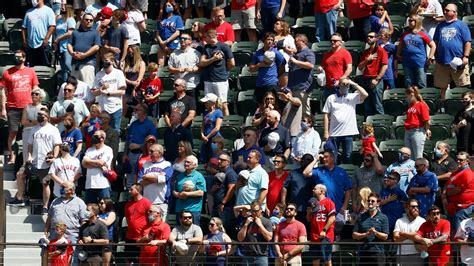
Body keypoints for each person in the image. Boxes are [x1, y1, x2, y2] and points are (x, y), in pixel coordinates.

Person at [11, 107, 61, 211]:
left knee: (45, 183)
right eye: (38, 114)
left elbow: (57, 145)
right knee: (20, 174)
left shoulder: (53, 129)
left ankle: (45, 206)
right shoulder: (34, 128)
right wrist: (29, 156)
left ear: (46, 117)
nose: (39, 116)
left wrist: (54, 157)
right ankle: (20, 197)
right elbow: (30, 145)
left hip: (45, 162)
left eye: (41, 114)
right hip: (33, 160)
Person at [0, 49, 39, 165]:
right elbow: (2, 91)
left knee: (32, 131)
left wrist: (36, 104)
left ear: (24, 58)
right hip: (13, 107)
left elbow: (35, 88)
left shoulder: (30, 72)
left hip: (28, 106)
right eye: (15, 56)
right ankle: (12, 156)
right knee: (13, 132)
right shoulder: (7, 72)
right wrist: (2, 108)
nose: (17, 59)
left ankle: (32, 154)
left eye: (19, 57)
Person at [322, 78, 368, 164]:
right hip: (334, 133)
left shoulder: (352, 97)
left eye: (347, 85)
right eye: (343, 84)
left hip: (348, 133)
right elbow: (325, 115)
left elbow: (365, 94)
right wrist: (326, 132)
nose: (345, 86)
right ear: (338, 85)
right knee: (333, 157)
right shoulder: (331, 98)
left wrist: (353, 83)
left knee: (347, 156)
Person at [433, 3, 471, 100]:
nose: (444, 12)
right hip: (442, 62)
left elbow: (467, 42)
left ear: (454, 12)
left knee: (462, 87)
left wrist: (465, 56)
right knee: (442, 88)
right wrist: (432, 56)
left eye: (447, 10)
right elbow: (435, 42)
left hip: (458, 61)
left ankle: (463, 106)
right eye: (444, 10)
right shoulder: (440, 26)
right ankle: (443, 107)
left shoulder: (461, 25)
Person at [44, 182, 87, 264]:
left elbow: (84, 221)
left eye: (63, 187)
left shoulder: (80, 203)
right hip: (55, 234)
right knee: (54, 259)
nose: (61, 189)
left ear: (71, 190)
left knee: (71, 260)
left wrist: (81, 236)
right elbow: (49, 218)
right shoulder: (55, 201)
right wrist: (45, 231)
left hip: (72, 235)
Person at [303, 151, 352, 215]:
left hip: (338, 208)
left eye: (326, 157)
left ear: (332, 158)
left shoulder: (341, 172)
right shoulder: (318, 171)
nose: (324, 159)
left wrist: (344, 206)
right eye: (323, 158)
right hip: (322, 209)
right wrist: (315, 160)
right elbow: (305, 173)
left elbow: (348, 189)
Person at [199, 29, 235, 116]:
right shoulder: (206, 48)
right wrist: (213, 59)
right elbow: (201, 63)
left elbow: (232, 63)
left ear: (210, 37)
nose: (204, 40)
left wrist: (224, 71)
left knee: (223, 104)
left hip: (221, 80)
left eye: (206, 37)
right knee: (208, 104)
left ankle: (226, 124)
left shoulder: (224, 47)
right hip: (208, 80)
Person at [397, 14, 436, 89]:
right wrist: (398, 54)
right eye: (409, 20)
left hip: (420, 61)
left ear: (417, 22)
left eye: (412, 21)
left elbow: (433, 45)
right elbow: (400, 44)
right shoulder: (406, 33)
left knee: (421, 82)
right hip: (407, 61)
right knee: (408, 83)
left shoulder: (423, 33)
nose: (410, 22)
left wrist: (430, 58)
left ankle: (421, 100)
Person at [91, 52, 127, 132]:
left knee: (115, 131)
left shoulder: (118, 73)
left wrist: (108, 93)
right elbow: (94, 92)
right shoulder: (99, 74)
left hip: (115, 107)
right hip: (103, 108)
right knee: (102, 130)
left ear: (112, 61)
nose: (104, 62)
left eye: (106, 60)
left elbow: (122, 91)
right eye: (103, 60)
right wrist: (102, 88)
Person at [125, 103, 158, 188]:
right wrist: (125, 154)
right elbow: (127, 140)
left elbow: (153, 142)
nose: (135, 112)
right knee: (130, 180)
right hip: (131, 155)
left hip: (142, 155)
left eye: (137, 110)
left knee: (140, 178)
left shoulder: (149, 125)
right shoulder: (133, 124)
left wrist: (139, 146)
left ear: (143, 112)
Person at [138, 144, 173, 221]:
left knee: (160, 228)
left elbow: (163, 179)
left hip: (161, 202)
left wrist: (146, 176)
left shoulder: (167, 164)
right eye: (149, 151)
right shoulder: (145, 165)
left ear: (160, 153)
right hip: (146, 202)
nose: (149, 153)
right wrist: (157, 176)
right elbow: (140, 183)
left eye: (152, 151)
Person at [352, 192, 389, 265]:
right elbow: (354, 235)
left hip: (378, 253)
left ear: (378, 203)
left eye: (372, 201)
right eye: (368, 201)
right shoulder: (361, 217)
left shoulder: (383, 217)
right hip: (363, 253)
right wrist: (366, 234)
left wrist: (375, 232)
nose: (370, 203)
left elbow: (385, 236)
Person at [442, 151, 474, 235]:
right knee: (451, 232)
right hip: (453, 207)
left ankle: (458, 248)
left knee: (459, 233)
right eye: (457, 159)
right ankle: (453, 248)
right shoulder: (455, 172)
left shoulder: (467, 173)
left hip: (463, 208)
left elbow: (458, 189)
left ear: (467, 161)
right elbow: (447, 185)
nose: (458, 161)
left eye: (461, 160)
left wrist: (445, 195)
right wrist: (444, 196)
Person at [249, 32, 285, 104]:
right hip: (260, 84)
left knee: (272, 105)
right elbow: (251, 69)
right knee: (259, 106)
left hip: (271, 83)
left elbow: (283, 66)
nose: (270, 41)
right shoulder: (257, 54)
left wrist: (275, 76)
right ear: (264, 40)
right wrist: (259, 65)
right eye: (268, 39)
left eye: (272, 40)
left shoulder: (276, 53)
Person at [358, 31, 388, 115]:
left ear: (377, 39)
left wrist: (377, 79)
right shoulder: (365, 52)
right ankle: (369, 126)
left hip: (376, 80)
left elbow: (384, 66)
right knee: (367, 105)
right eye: (368, 36)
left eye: (371, 37)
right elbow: (360, 67)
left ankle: (381, 123)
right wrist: (367, 60)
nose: (368, 38)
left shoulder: (381, 51)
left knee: (377, 105)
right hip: (365, 79)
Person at [67, 12, 101, 87]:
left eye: (91, 20)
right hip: (75, 64)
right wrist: (72, 53)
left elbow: (97, 47)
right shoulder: (75, 32)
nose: (89, 21)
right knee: (73, 87)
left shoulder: (95, 33)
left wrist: (84, 55)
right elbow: (69, 44)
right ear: (82, 20)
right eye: (87, 19)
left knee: (88, 88)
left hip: (88, 64)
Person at [306, 184, 336, 266]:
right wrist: (309, 213)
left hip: (325, 236)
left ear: (322, 191)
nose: (313, 190)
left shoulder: (328, 202)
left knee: (327, 260)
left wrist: (324, 230)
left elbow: (332, 218)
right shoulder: (313, 203)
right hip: (314, 236)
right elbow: (308, 220)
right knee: (315, 261)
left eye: (315, 189)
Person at [281, 154, 316, 222]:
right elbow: (285, 187)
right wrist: (283, 202)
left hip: (308, 209)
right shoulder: (293, 173)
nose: (305, 162)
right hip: (293, 208)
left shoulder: (315, 174)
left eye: (308, 160)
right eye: (304, 159)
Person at [82, 130, 114, 204]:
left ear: (102, 138)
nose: (93, 137)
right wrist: (98, 165)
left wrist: (89, 161)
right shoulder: (89, 150)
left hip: (103, 184)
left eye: (96, 136)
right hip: (89, 185)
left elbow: (101, 162)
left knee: (105, 208)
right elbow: (84, 163)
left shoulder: (107, 149)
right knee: (90, 209)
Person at [237, 201, 273, 265]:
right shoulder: (246, 221)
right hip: (248, 256)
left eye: (256, 211)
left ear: (261, 210)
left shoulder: (267, 221)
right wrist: (245, 225)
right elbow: (240, 239)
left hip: (261, 256)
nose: (254, 213)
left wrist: (260, 225)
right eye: (252, 211)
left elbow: (269, 238)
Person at [287, 33, 315, 116]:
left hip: (302, 87)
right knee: (294, 112)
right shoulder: (296, 53)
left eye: (296, 41)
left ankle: (306, 128)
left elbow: (311, 65)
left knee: (304, 113)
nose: (294, 43)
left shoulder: (308, 52)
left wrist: (296, 62)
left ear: (303, 41)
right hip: (293, 87)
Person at [173, 155, 206, 225]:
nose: (185, 164)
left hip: (193, 210)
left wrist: (187, 194)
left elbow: (201, 192)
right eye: (185, 162)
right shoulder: (180, 176)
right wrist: (178, 195)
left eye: (188, 162)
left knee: (193, 231)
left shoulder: (199, 176)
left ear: (195, 165)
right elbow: (174, 191)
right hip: (180, 208)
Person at [22, 0, 55, 67]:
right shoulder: (28, 12)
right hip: (31, 45)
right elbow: (24, 28)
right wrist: (24, 40)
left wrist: (46, 39)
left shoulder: (48, 10)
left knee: (45, 67)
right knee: (32, 67)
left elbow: (52, 26)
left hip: (43, 44)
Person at [320, 33, 353, 101]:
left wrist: (340, 80)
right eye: (331, 40)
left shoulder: (345, 53)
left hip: (341, 86)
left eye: (335, 41)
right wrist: (321, 68)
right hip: (328, 86)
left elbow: (349, 69)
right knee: (328, 109)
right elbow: (324, 65)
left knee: (341, 108)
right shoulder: (327, 54)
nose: (332, 42)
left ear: (340, 42)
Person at [124, 183, 152, 264]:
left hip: (141, 237)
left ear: (138, 190)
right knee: (128, 259)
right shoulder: (128, 204)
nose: (129, 191)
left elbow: (151, 219)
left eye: (131, 189)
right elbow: (128, 219)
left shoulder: (146, 202)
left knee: (141, 260)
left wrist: (146, 233)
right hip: (130, 236)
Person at [393, 199, 426, 265]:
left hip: (417, 253)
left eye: (417, 206)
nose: (416, 208)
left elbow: (421, 238)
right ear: (407, 208)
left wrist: (403, 234)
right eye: (413, 207)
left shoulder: (422, 221)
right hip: (401, 254)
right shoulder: (399, 221)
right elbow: (396, 238)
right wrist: (413, 235)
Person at [168, 32, 201, 97]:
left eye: (185, 38)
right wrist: (178, 70)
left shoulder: (196, 53)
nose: (182, 40)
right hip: (179, 86)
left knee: (193, 106)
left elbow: (201, 68)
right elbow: (170, 68)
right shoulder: (174, 54)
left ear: (190, 41)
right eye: (181, 38)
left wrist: (194, 69)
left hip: (192, 86)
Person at [213, 153, 238, 235]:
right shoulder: (220, 172)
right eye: (219, 159)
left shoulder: (230, 173)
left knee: (223, 229)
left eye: (222, 160)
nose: (219, 161)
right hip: (217, 205)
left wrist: (223, 202)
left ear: (228, 162)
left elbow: (232, 188)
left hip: (225, 207)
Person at [19, 88, 45, 164]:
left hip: (39, 132)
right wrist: (34, 122)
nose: (34, 95)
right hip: (27, 131)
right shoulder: (27, 107)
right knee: (26, 152)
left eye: (36, 94)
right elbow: (23, 122)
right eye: (32, 93)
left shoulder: (43, 108)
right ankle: (26, 170)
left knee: (38, 151)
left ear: (41, 97)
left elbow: (43, 122)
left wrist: (30, 121)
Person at [404, 86, 431, 160]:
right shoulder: (411, 105)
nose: (406, 98)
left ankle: (419, 171)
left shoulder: (421, 105)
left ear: (412, 95)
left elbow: (427, 121)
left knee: (418, 156)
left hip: (417, 131)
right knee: (409, 156)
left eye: (407, 96)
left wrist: (426, 130)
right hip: (408, 131)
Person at [156, 1, 183, 67]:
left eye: (169, 6)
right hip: (162, 45)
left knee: (175, 65)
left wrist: (166, 41)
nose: (167, 7)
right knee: (160, 64)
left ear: (173, 7)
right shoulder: (161, 19)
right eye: (165, 6)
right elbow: (157, 34)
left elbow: (177, 32)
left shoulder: (177, 18)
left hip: (174, 44)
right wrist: (162, 43)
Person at [54, 4, 76, 83]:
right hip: (59, 46)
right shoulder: (59, 20)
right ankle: (64, 83)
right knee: (63, 67)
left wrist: (58, 39)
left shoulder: (70, 19)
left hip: (67, 46)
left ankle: (72, 81)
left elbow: (70, 32)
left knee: (68, 65)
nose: (62, 9)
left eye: (63, 8)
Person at [199, 93, 223, 163]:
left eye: (206, 103)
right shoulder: (205, 113)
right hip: (205, 140)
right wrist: (202, 135)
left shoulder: (218, 112)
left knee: (214, 158)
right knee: (204, 158)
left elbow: (217, 128)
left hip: (215, 139)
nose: (205, 104)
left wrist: (207, 137)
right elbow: (203, 125)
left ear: (212, 103)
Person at [123, 45, 146, 115]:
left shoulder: (141, 63)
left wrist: (134, 88)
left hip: (137, 89)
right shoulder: (127, 63)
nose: (130, 54)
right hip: (127, 88)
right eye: (129, 52)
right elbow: (123, 77)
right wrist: (130, 82)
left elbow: (139, 79)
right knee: (123, 105)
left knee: (136, 108)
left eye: (131, 52)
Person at [273, 19, 296, 88]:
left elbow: (294, 50)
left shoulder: (288, 37)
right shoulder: (272, 37)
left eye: (277, 24)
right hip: (273, 62)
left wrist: (286, 49)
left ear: (282, 27)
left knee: (283, 86)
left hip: (284, 62)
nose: (275, 25)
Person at [98, 197, 116, 266]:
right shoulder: (98, 214)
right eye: (99, 203)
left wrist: (97, 218)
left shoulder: (111, 213)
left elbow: (108, 223)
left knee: (106, 262)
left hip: (107, 239)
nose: (100, 205)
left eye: (102, 203)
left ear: (107, 204)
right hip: (98, 239)